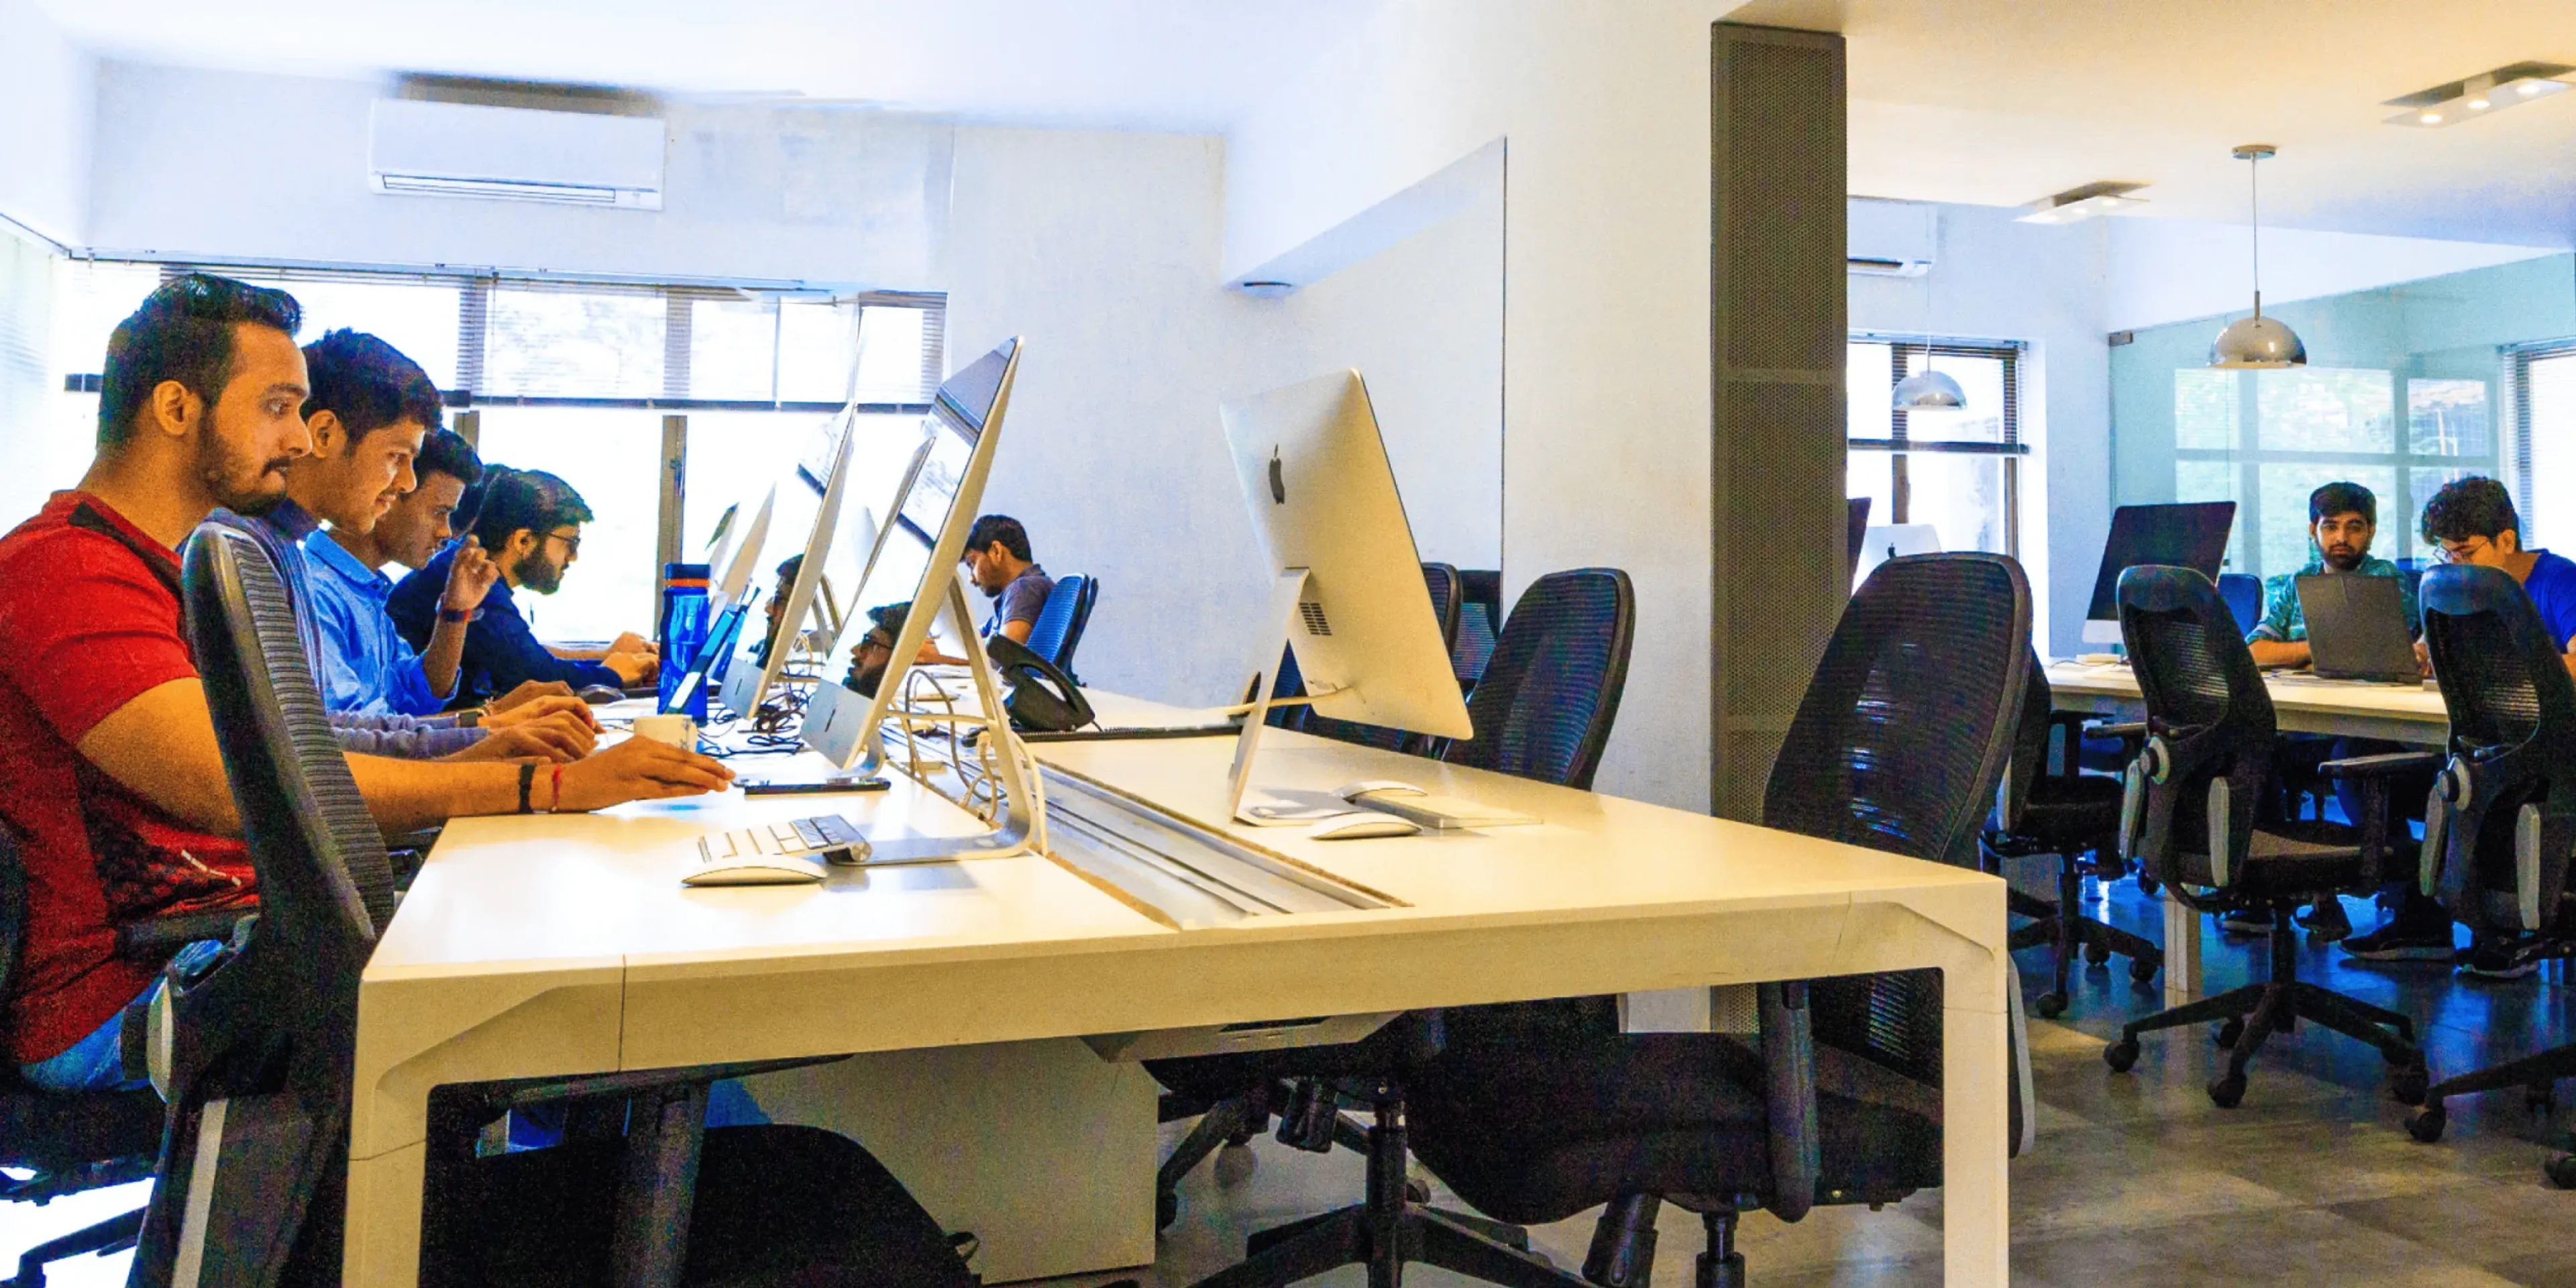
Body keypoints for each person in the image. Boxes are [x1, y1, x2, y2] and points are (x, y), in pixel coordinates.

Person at [0, 274, 733, 1093]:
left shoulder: (163, 570)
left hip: (230, 935)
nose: (303, 440)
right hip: (137, 993)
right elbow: (238, 785)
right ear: (177, 410)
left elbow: (293, 746)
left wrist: (500, 771)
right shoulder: (66, 571)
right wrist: (545, 784)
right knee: (560, 990)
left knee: (566, 947)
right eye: (276, 408)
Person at [250, 329, 592, 761]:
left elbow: (409, 698)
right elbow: (332, 748)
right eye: (396, 458)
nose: (403, 483)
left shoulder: (321, 571)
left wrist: (456, 617)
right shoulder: (281, 567)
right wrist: (490, 734)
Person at [2379, 476, 2576, 981]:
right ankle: (2438, 919)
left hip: (2548, 743)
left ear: (2506, 540)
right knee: (2362, 754)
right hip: (2484, 740)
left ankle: (2514, 924)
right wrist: (2423, 655)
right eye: (2448, 556)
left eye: (2466, 553)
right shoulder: (2456, 593)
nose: (2457, 567)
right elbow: (2427, 652)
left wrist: (2506, 668)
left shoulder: (2559, 581)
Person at [2228, 483, 2432, 945]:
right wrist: (2310, 652)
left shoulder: (2388, 580)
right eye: (2331, 526)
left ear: (2371, 532)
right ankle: (2274, 889)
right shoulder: (2292, 584)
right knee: (2252, 750)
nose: (2342, 537)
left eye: (2354, 527)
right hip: (2305, 722)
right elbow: (2255, 651)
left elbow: (2379, 645)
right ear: (2313, 530)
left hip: (2374, 720)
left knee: (2357, 756)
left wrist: (2300, 653)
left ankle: (2410, 909)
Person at [387, 468, 659, 702]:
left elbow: (523, 653)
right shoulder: (469, 578)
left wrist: (610, 658)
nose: (573, 558)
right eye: (570, 544)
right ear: (523, 541)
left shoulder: (472, 570)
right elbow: (536, 673)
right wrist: (611, 673)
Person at [962, 514, 1055, 647]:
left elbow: (1002, 654)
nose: (972, 579)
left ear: (996, 551)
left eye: (972, 564)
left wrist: (928, 653)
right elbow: (968, 642)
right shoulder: (1020, 592)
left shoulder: (1025, 589)